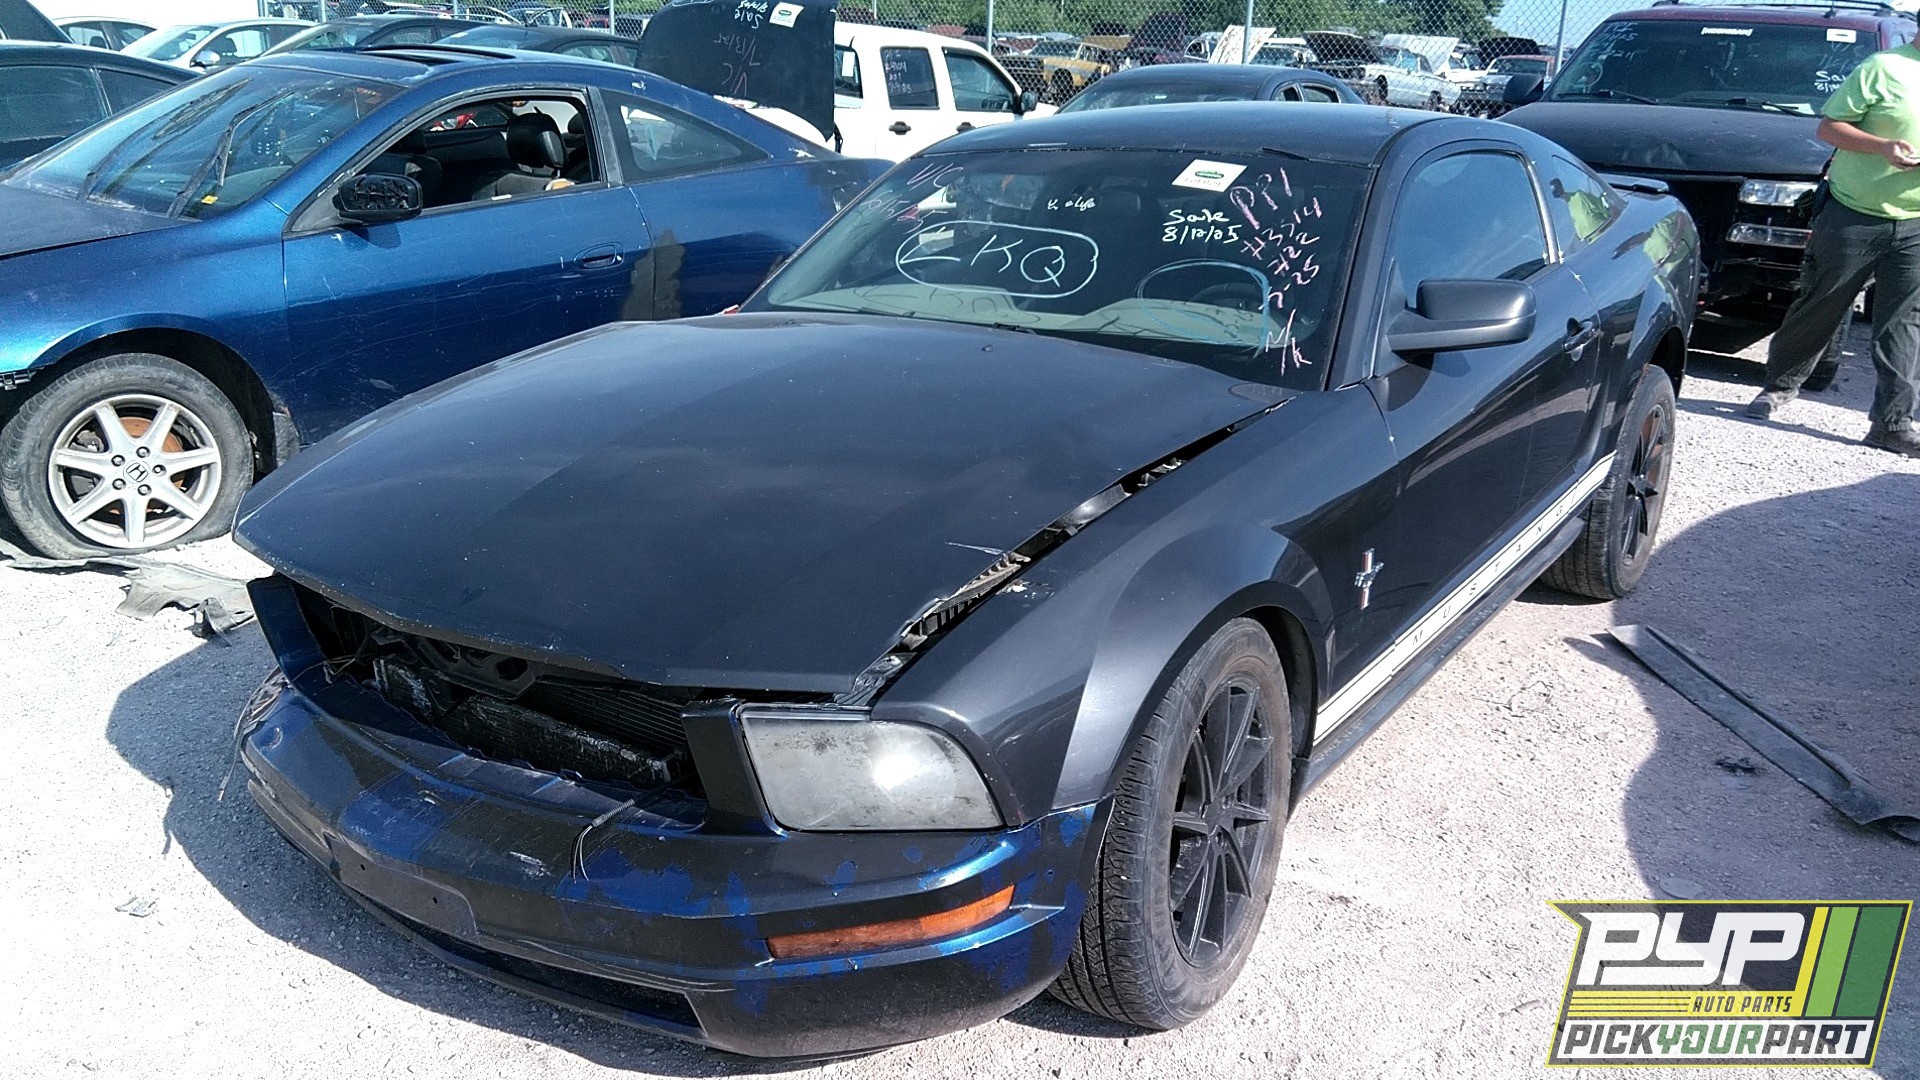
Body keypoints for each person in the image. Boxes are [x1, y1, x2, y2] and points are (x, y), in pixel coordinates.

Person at [1746, 43, 1920, 458]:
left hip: (1916, 223)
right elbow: (1828, 128)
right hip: (1852, 212)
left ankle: (1892, 424)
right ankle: (1779, 388)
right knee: (1823, 302)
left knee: (1904, 321)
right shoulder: (1883, 67)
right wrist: (1882, 147)